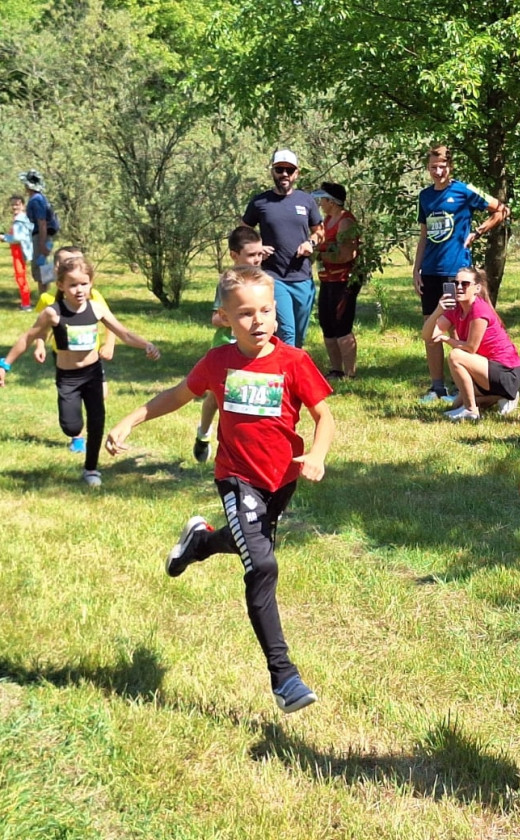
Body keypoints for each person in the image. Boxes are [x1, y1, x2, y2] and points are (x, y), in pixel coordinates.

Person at [105, 266, 335, 712]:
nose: (258, 321)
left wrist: (318, 454)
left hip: (282, 478)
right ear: (225, 319)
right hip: (236, 476)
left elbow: (324, 416)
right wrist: (132, 418)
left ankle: (201, 542)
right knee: (262, 565)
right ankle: (284, 678)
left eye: (265, 310)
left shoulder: (294, 362)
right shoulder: (218, 362)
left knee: (248, 544)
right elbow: (177, 394)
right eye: (245, 313)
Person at [0, 255, 160, 487]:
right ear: (61, 286)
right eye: (73, 284)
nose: (78, 289)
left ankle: (91, 469)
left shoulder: (96, 309)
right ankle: (76, 435)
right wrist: (5, 364)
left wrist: (146, 344)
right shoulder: (53, 313)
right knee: (71, 426)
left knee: (97, 421)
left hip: (93, 374)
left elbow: (123, 333)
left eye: (84, 283)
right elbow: (28, 337)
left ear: (91, 283)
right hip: (68, 378)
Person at [412, 144, 508, 402]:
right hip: (430, 271)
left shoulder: (464, 190)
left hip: (456, 273)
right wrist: (416, 269)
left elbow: (501, 208)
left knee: (455, 329)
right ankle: (437, 387)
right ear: (428, 168)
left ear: (450, 166)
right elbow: (424, 235)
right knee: (431, 327)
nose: (438, 171)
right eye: (433, 167)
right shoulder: (424, 196)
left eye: (443, 166)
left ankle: (461, 386)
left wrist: (477, 232)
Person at [194, 226, 267, 463]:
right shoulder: (227, 283)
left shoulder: (261, 282)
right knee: (216, 398)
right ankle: (204, 434)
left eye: (259, 254)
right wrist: (235, 320)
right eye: (251, 255)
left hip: (251, 349)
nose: (257, 259)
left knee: (246, 399)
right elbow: (216, 317)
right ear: (235, 256)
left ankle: (246, 449)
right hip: (226, 346)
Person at [241, 149, 323, 348]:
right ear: (273, 172)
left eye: (289, 170)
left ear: (297, 173)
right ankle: (285, 377)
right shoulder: (260, 202)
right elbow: (243, 232)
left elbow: (319, 231)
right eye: (280, 169)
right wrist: (258, 248)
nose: (284, 174)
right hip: (273, 277)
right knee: (288, 332)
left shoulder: (306, 200)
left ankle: (286, 369)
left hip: (303, 278)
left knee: (299, 336)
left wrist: (310, 244)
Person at [421, 266, 520, 421]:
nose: (459, 287)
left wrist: (446, 339)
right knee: (456, 404)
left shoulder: (479, 309)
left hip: (507, 373)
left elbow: (470, 348)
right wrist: (438, 310)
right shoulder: (455, 308)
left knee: (456, 355)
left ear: (477, 288)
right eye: (456, 283)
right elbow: (427, 336)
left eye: (465, 284)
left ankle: (471, 411)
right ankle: (502, 396)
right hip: (485, 370)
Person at [33, 246, 117, 410]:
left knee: (101, 393)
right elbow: (40, 329)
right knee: (70, 395)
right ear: (57, 268)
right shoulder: (47, 298)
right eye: (67, 262)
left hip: (90, 353)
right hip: (63, 356)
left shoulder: (93, 296)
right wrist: (40, 345)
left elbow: (111, 322)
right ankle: (76, 430)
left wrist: (109, 344)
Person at [312, 182, 361, 379]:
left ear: (331, 201)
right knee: (327, 324)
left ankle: (350, 373)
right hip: (327, 280)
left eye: (322, 199)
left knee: (342, 326)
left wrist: (318, 255)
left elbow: (346, 254)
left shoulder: (345, 222)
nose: (320, 203)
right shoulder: (327, 220)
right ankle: (336, 369)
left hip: (344, 281)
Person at [19, 169, 56, 298]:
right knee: (44, 266)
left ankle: (43, 298)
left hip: (41, 235)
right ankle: (45, 297)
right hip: (45, 235)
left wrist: (42, 242)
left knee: (40, 267)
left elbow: (42, 222)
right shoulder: (41, 198)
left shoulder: (36, 200)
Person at [3, 194, 33, 310]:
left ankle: (26, 304)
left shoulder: (20, 219)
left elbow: (17, 238)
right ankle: (25, 302)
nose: (14, 207)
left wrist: (4, 237)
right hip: (17, 252)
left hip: (19, 252)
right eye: (12, 205)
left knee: (20, 276)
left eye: (17, 204)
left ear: (23, 205)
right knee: (20, 276)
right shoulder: (20, 218)